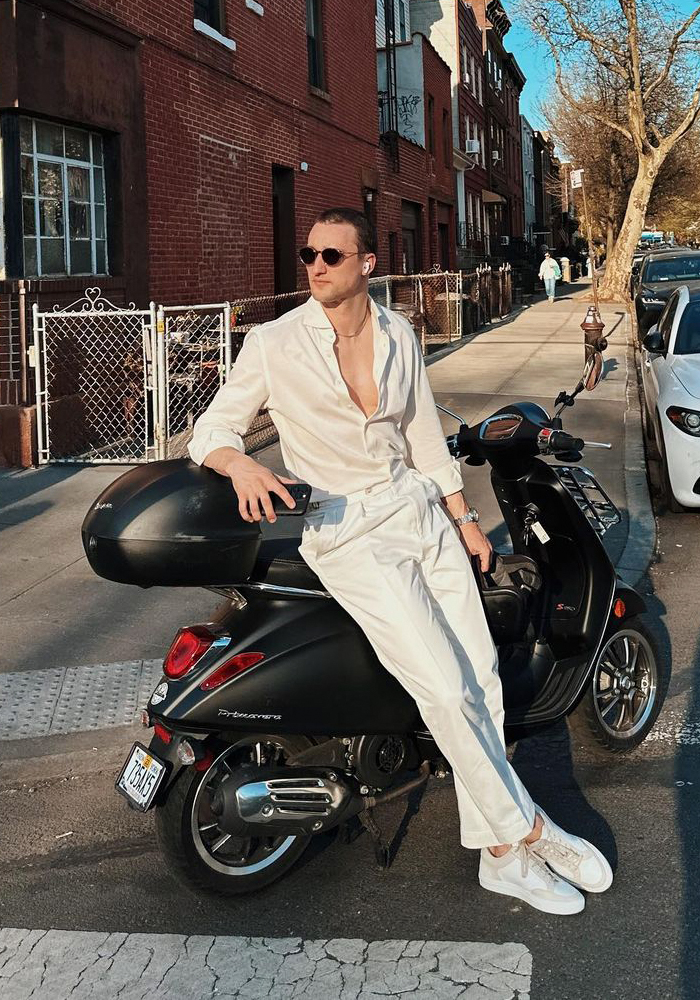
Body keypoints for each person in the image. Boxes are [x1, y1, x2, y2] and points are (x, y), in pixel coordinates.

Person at [188, 207, 612, 915]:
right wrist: (238, 467)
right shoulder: (273, 341)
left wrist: (466, 520)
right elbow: (212, 429)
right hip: (346, 529)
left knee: (479, 677)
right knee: (443, 690)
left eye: (331, 255)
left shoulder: (397, 334)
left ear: (366, 264)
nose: (315, 266)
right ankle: (529, 828)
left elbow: (420, 436)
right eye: (308, 255)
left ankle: (501, 857)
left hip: (421, 513)